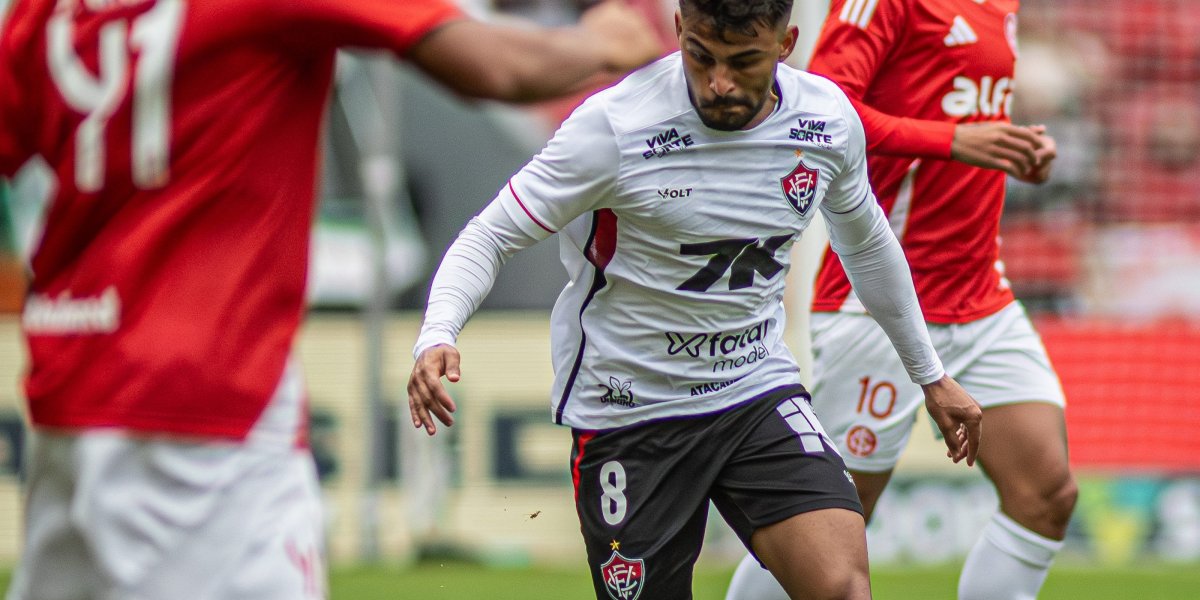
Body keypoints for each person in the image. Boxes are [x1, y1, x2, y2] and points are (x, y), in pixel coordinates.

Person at [0, 0, 661, 597]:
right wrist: (603, 40)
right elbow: (497, 68)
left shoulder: (47, 11)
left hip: (69, 392)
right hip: (206, 407)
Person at [406, 0, 983, 597]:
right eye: (701, 57)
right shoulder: (615, 127)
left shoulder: (826, 120)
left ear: (786, 45)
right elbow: (491, 233)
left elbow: (866, 246)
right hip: (630, 411)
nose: (719, 82)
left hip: (753, 390)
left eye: (744, 61)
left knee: (842, 588)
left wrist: (930, 375)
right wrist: (438, 331)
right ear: (679, 30)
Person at [725, 1, 1079, 599]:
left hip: (980, 294)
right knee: (831, 519)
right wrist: (954, 140)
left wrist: (1014, 152)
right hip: (881, 301)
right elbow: (825, 109)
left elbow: (961, 107)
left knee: (1046, 495)